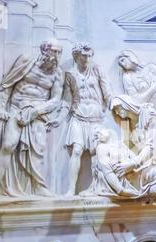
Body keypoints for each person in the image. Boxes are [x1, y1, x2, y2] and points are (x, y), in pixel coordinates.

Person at [0, 39, 64, 201]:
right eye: (54, 51)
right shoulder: (26, 61)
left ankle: (38, 186)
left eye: (60, 52)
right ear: (44, 50)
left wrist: (36, 111)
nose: (57, 56)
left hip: (38, 112)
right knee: (8, 144)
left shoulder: (58, 73)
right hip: (17, 108)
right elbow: (7, 85)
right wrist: (0, 108)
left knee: (38, 150)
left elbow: (56, 99)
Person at [51, 42, 112, 196]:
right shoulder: (69, 74)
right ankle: (71, 189)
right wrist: (59, 119)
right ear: (76, 56)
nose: (87, 59)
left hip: (96, 117)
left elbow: (108, 94)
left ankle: (97, 187)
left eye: (90, 55)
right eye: (84, 56)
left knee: (97, 152)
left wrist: (118, 110)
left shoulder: (97, 70)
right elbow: (66, 100)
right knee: (76, 150)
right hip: (78, 115)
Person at [93, 127, 139, 198]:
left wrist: (132, 165)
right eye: (96, 135)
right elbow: (107, 172)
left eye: (100, 131)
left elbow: (135, 158)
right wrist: (120, 190)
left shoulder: (118, 143)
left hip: (137, 173)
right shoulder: (101, 148)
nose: (98, 134)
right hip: (125, 180)